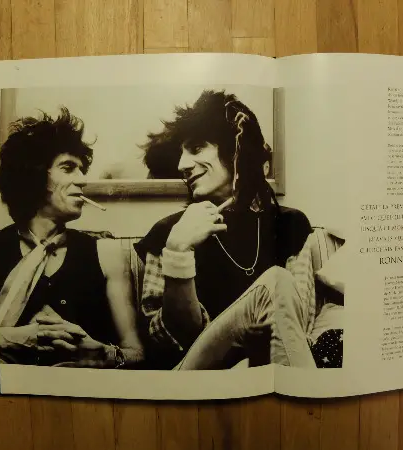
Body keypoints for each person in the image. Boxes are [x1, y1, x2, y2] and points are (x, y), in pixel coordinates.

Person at [134, 90, 318, 370]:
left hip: (266, 367)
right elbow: (166, 340)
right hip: (193, 376)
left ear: (237, 151)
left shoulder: (291, 224)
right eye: (181, 154)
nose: (182, 165)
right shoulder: (168, 232)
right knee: (277, 281)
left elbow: (296, 324)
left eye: (196, 148)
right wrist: (178, 251)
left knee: (278, 284)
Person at [0, 107, 144, 369]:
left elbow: (137, 354)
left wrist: (105, 354)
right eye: (68, 168)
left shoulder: (106, 254)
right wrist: (11, 339)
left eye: (81, 169)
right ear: (33, 174)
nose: (82, 180)